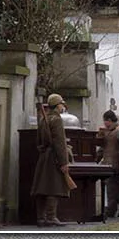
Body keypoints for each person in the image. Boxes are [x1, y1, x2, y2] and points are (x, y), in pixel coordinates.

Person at [31, 93, 74, 227]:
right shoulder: (56, 119)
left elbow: (38, 141)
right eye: (62, 104)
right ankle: (51, 217)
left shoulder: (43, 119)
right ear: (57, 105)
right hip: (54, 156)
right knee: (53, 188)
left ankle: (41, 218)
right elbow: (60, 143)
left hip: (44, 156)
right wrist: (64, 162)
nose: (63, 107)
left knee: (42, 187)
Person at [97, 110, 119, 219]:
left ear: (109, 120)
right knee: (116, 189)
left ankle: (111, 211)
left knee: (113, 189)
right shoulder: (110, 131)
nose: (104, 124)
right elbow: (102, 148)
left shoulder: (118, 131)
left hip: (114, 164)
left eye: (105, 121)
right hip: (110, 164)